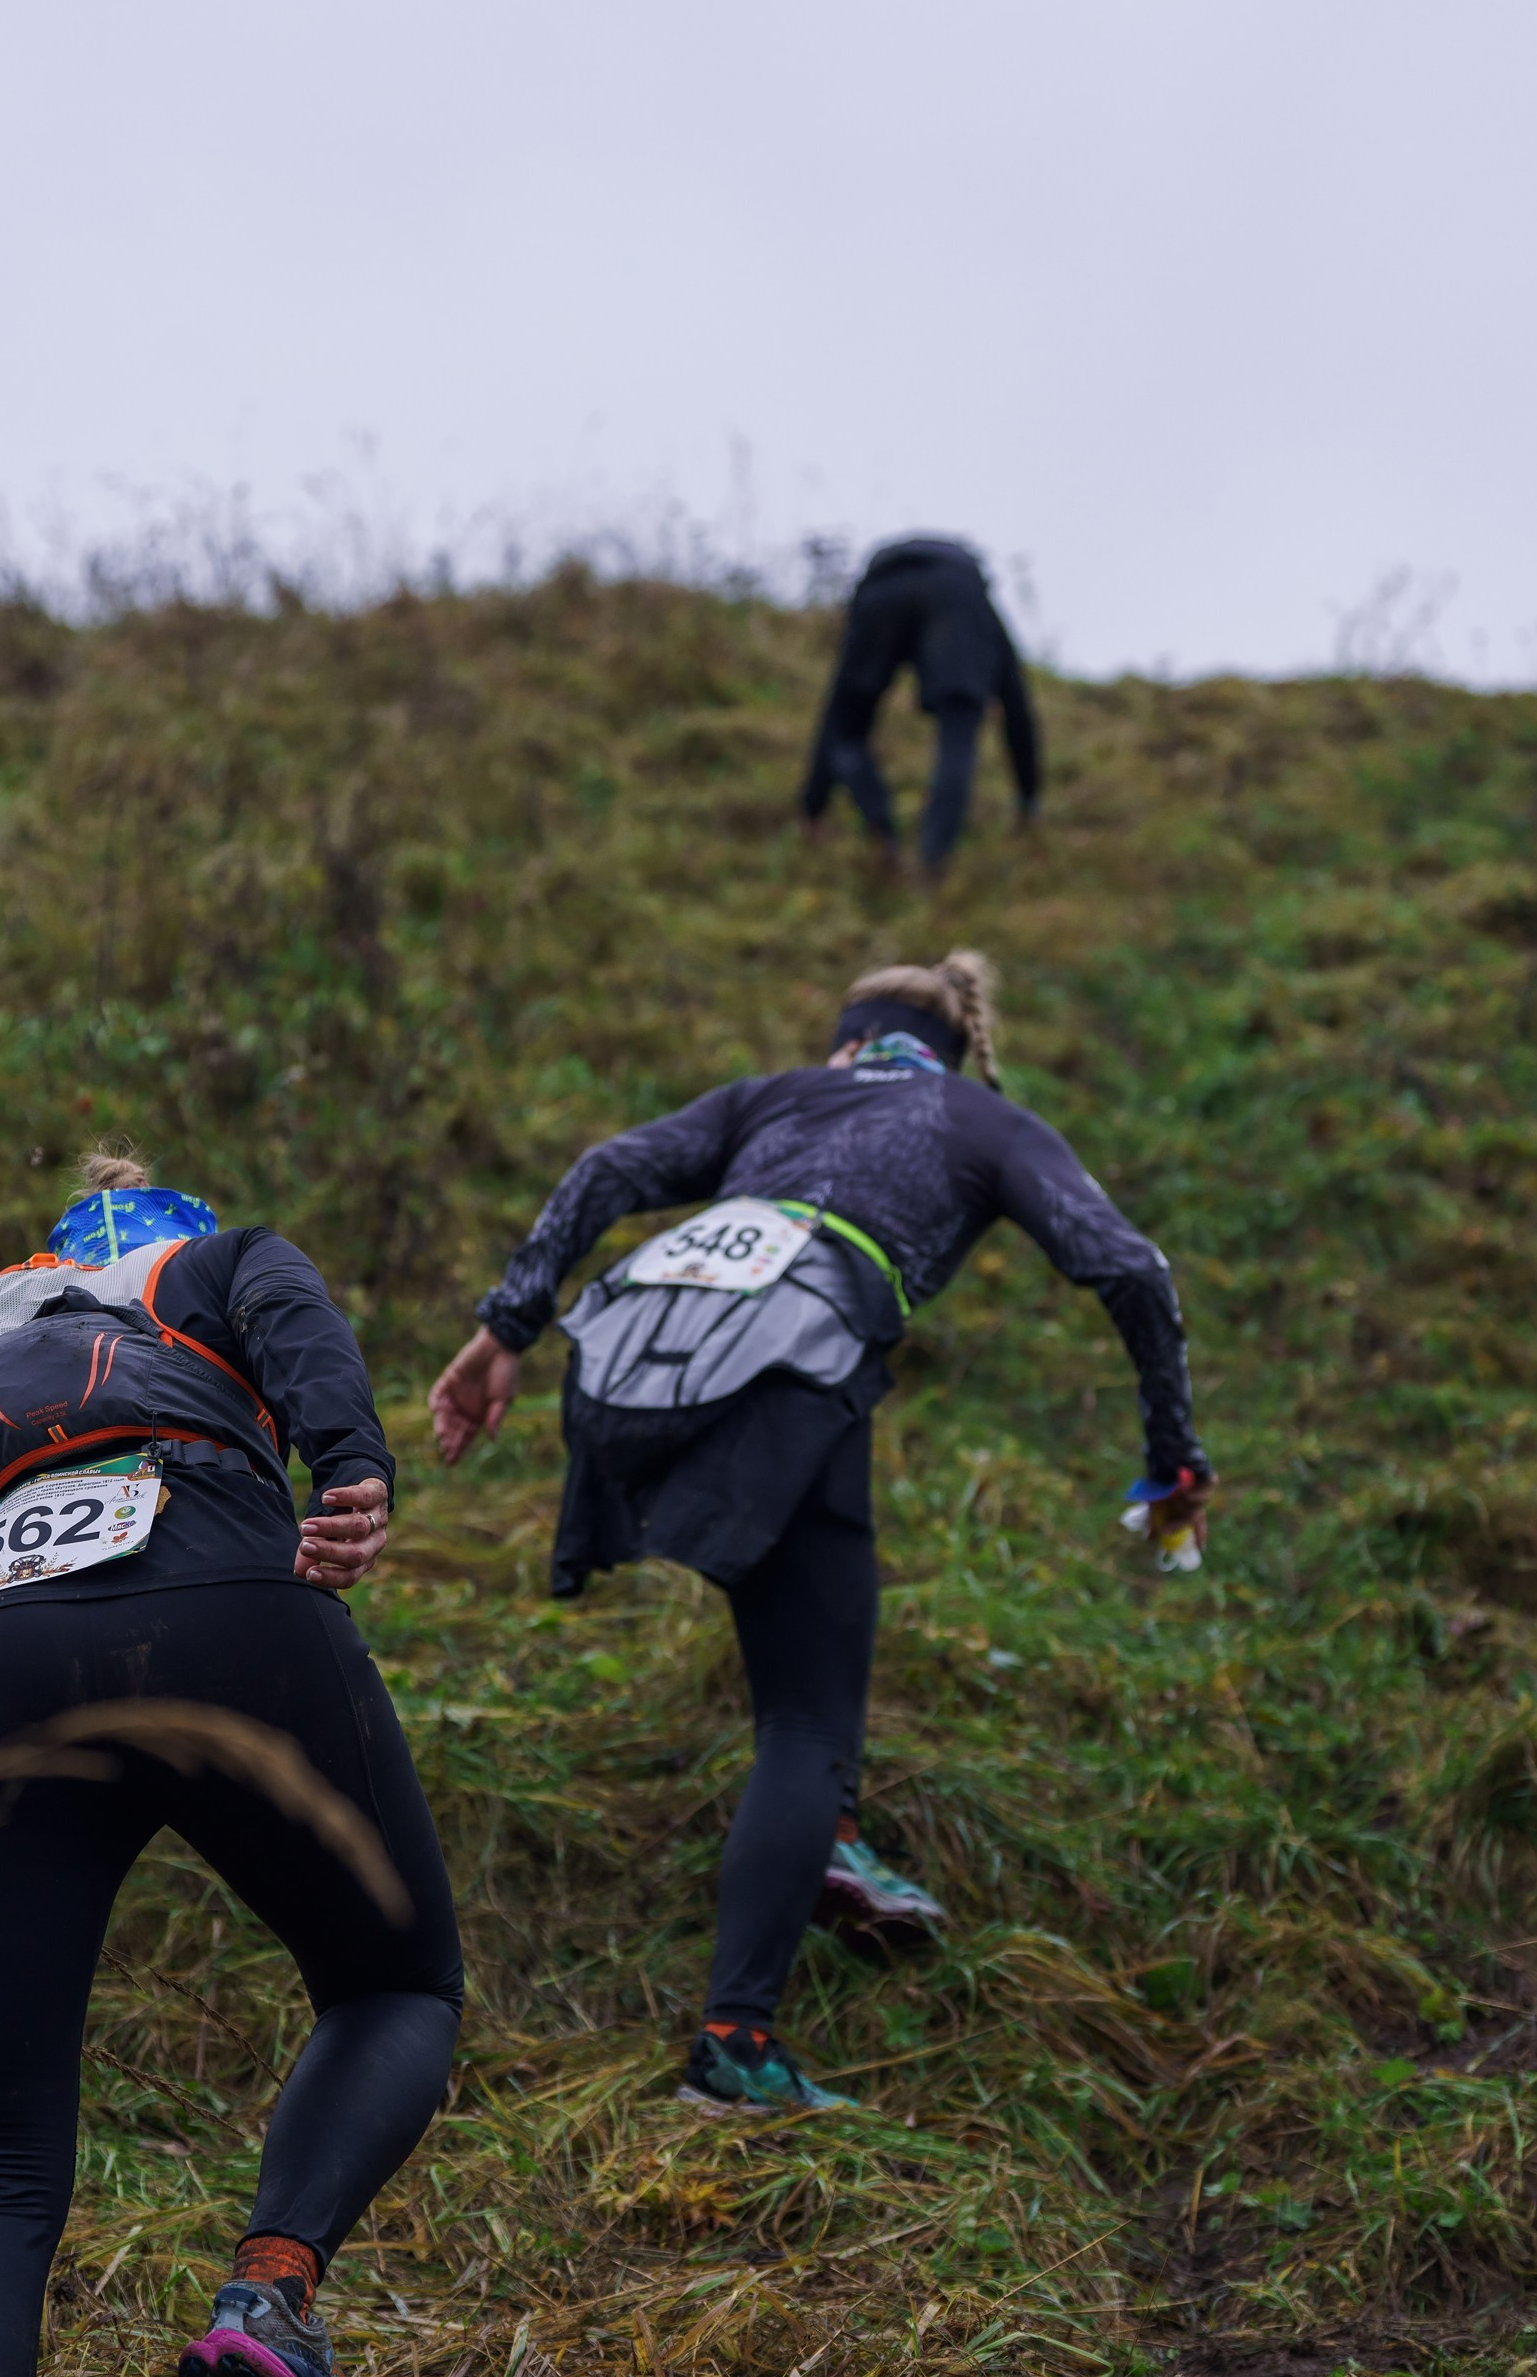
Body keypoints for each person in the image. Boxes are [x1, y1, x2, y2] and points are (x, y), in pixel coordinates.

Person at [428, 956, 1209, 2114]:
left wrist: (507, 1326)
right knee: (806, 1714)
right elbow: (1126, 1265)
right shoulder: (978, 1117)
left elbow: (605, 1170)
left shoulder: (770, 1097)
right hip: (784, 1370)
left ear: (847, 1042)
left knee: (808, 1626)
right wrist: (1171, 1455)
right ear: (946, 1050)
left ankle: (826, 1840)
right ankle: (735, 2048)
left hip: (627, 1360)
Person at [0, 1149, 462, 2377]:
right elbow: (302, 1331)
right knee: (396, 1981)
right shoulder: (211, 1264)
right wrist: (351, 1470)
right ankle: (268, 2296)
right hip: (223, 1586)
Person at [801, 536, 1042, 880]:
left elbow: (837, 711)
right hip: (952, 596)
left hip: (881, 589)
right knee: (958, 728)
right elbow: (1016, 705)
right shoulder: (973, 599)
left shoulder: (890, 582)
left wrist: (813, 804)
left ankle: (882, 835)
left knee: (849, 727)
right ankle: (933, 862)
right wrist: (1028, 797)